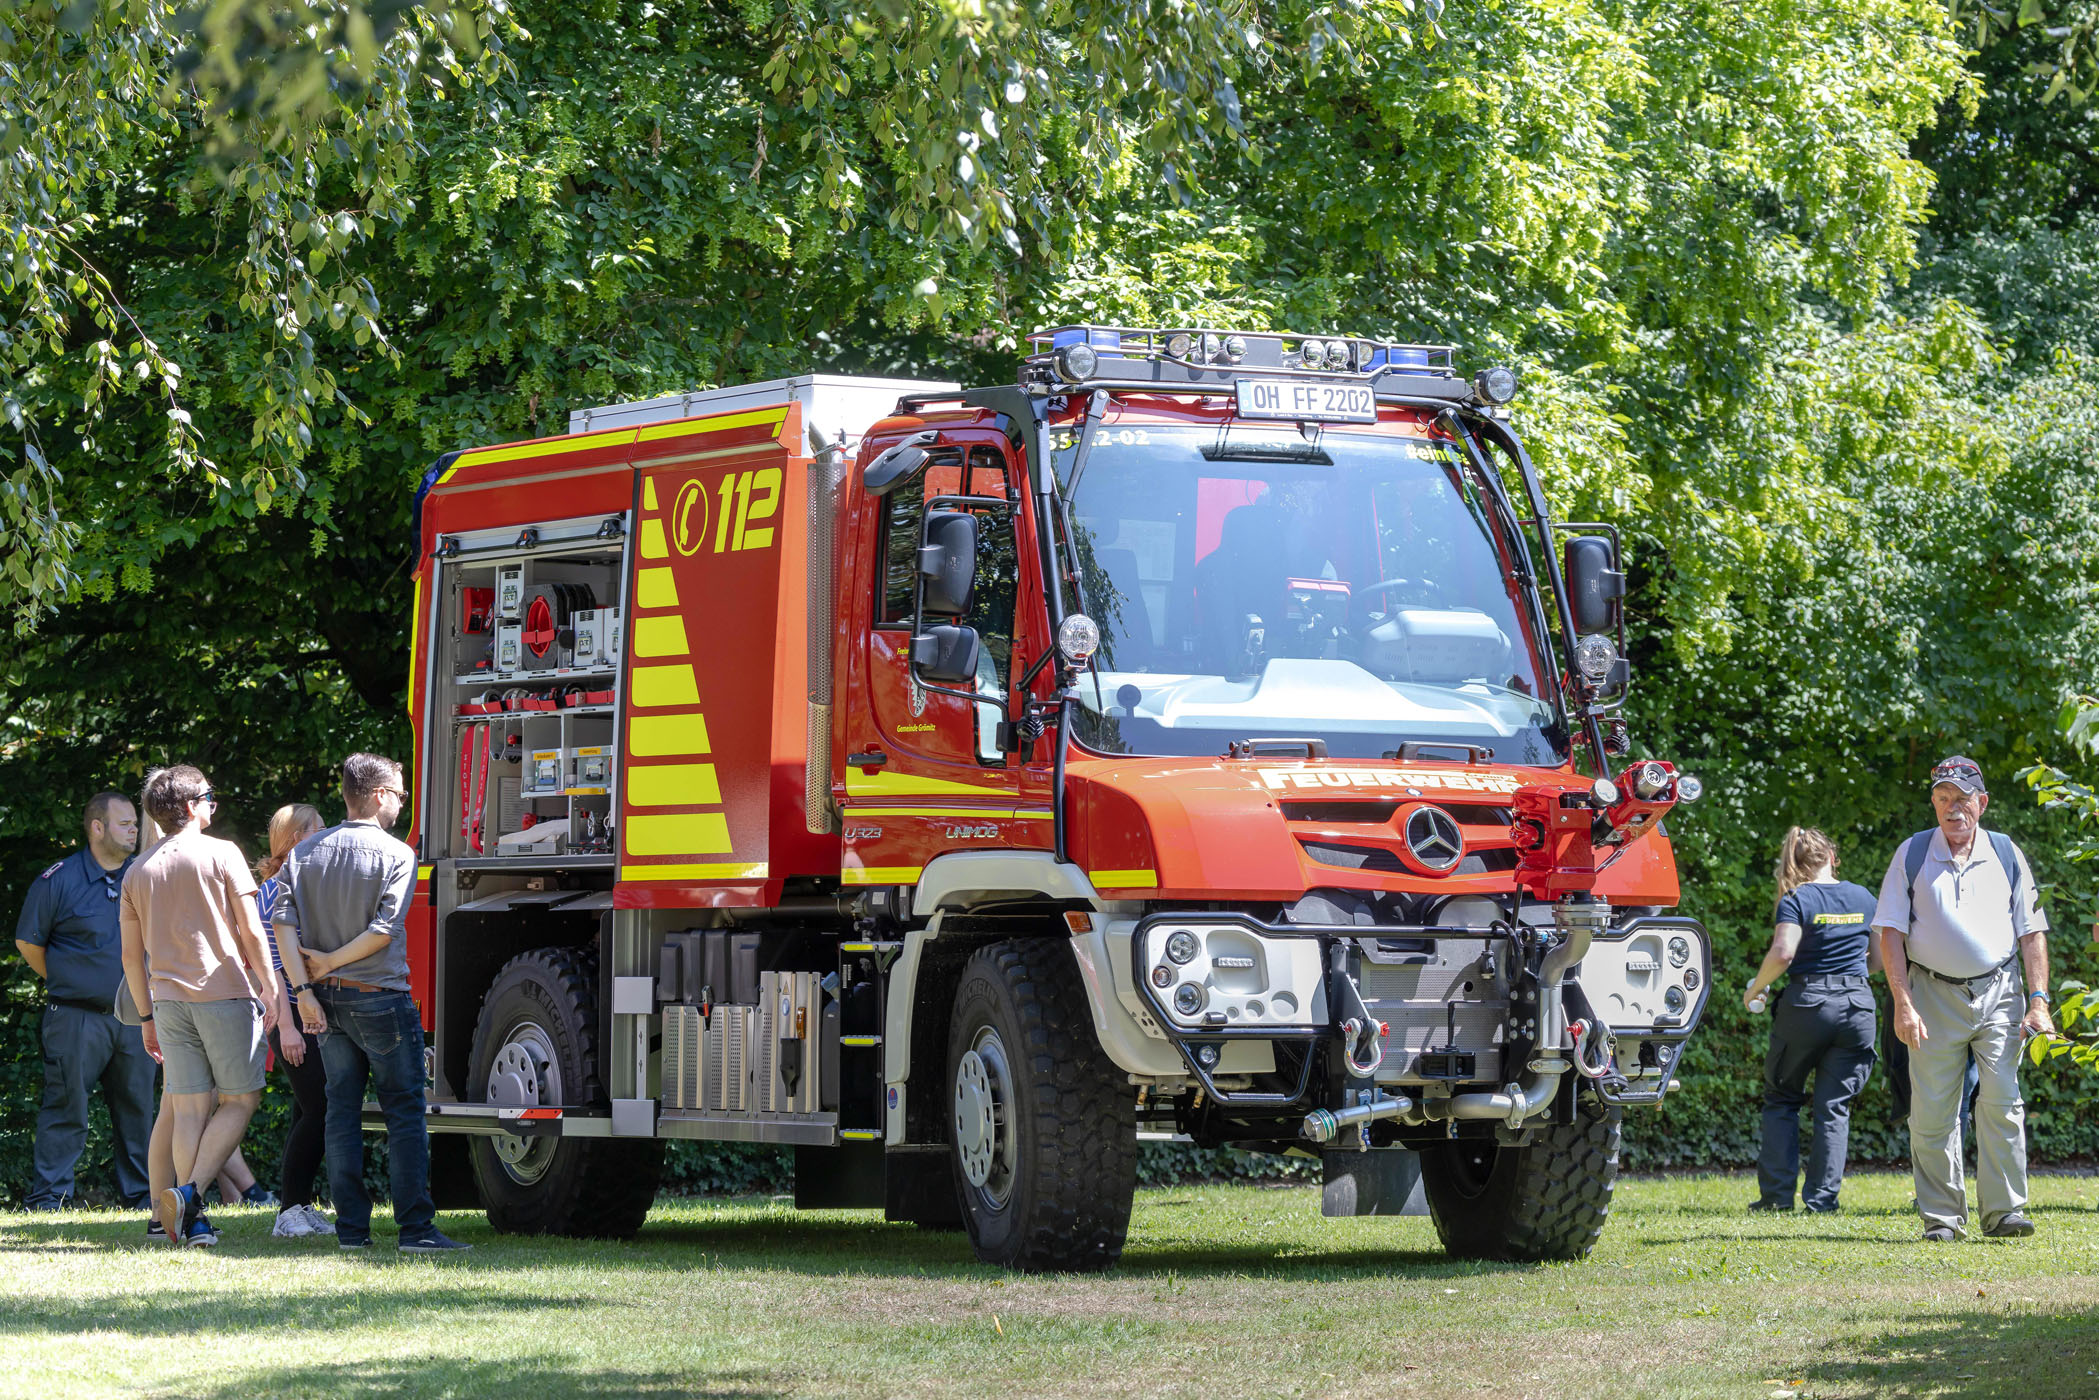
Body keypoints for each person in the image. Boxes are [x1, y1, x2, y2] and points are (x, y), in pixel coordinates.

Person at [275, 753, 468, 1253]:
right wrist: (330, 963)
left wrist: (305, 989)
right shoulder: (398, 854)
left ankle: (352, 1232)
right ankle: (415, 1230)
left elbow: (281, 924)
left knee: (341, 1111)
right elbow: (383, 933)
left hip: (325, 1002)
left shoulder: (305, 851)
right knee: (404, 1112)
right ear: (380, 795)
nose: (401, 804)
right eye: (400, 794)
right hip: (379, 997)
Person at [1875, 755, 2053, 1242]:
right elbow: (1889, 931)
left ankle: (2005, 1213)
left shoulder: (2005, 852)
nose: (1953, 809)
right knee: (1932, 1110)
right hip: (1930, 993)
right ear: (1933, 802)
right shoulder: (1912, 853)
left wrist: (2038, 1000)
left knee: (2002, 1102)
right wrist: (1903, 1002)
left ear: (1983, 803)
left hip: (2000, 992)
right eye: (1943, 799)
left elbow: (2031, 930)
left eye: (1963, 799)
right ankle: (1943, 1218)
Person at [120, 765, 282, 1246]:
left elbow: (131, 958)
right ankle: (189, 1200)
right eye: (209, 796)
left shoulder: (137, 869)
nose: (214, 803)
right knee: (240, 1100)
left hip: (167, 1003)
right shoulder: (222, 853)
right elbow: (251, 930)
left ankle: (175, 1220)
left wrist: (146, 1016)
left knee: (186, 1111)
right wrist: (271, 988)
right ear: (191, 807)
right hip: (224, 993)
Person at [12, 793, 156, 1211]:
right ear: (97, 828)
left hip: (135, 1019)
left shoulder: (143, 876)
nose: (134, 830)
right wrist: (69, 979)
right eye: (125, 823)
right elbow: (27, 942)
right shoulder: (59, 879)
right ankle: (49, 1199)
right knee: (65, 1109)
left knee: (138, 1112)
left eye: (135, 823)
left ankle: (142, 1198)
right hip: (75, 1019)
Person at [1743, 827, 1880, 1213]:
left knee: (1782, 1098)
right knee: (1833, 1105)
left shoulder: (1796, 899)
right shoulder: (1864, 898)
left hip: (1806, 1005)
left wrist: (1755, 989)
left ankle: (1776, 1198)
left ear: (1796, 863)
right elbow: (1880, 961)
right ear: (1832, 857)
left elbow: (1783, 953)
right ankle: (1821, 1202)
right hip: (1857, 1007)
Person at [254, 803, 335, 1238]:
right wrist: (286, 1027)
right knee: (321, 1107)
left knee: (308, 1107)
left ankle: (298, 1206)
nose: (327, 835)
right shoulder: (273, 892)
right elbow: (271, 968)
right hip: (289, 1015)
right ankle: (289, 1212)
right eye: (319, 829)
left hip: (311, 1012)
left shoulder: (307, 888)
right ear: (296, 838)